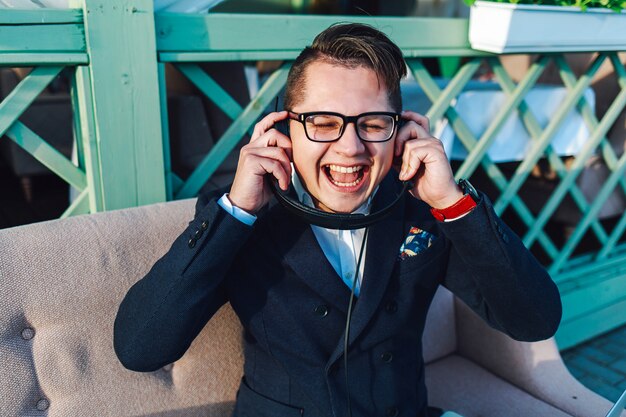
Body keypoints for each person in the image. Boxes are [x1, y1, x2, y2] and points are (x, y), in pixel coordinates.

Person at [113, 23, 562, 417]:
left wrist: (453, 203)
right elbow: (140, 348)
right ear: (284, 130)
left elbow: (534, 321)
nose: (350, 147)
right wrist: (238, 211)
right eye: (324, 122)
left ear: (402, 131)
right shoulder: (241, 216)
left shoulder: (423, 209)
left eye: (372, 123)